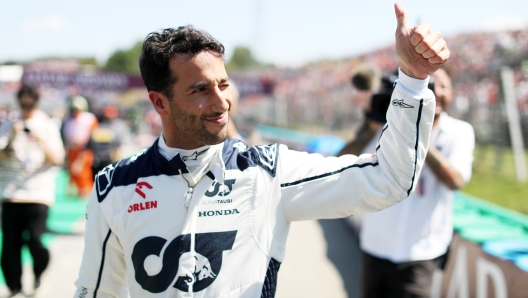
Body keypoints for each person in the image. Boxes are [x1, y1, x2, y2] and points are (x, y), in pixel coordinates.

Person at [74, 3, 449, 297]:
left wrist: (413, 81)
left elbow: (388, 179)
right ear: (160, 103)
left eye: (223, 85)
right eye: (200, 90)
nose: (222, 102)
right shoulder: (114, 188)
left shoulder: (267, 172)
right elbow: (97, 293)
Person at [345, 67, 475, 297]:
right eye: (430, 86)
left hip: (421, 253)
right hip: (374, 247)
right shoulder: (388, 124)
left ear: (452, 92)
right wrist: (376, 125)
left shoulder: (459, 132)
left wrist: (416, 131)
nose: (437, 94)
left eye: (441, 87)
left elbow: (455, 180)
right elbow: (342, 161)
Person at [0, 85, 65, 297]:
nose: (26, 107)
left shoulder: (47, 125)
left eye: (30, 103)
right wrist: (12, 136)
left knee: (36, 241)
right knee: (10, 244)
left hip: (39, 193)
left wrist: (40, 139)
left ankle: (38, 272)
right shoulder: (9, 123)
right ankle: (14, 287)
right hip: (11, 193)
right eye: (23, 103)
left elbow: (57, 159)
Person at [62, 95, 98, 198]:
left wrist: (83, 152)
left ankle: (86, 193)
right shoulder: (68, 120)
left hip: (85, 150)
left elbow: (92, 137)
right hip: (72, 150)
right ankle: (76, 191)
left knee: (83, 172)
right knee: (72, 172)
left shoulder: (89, 119)